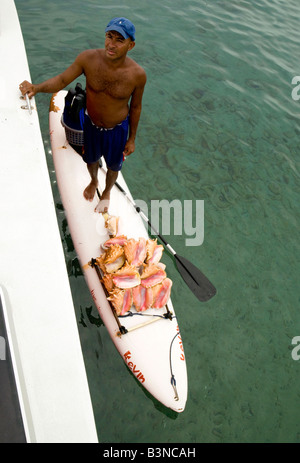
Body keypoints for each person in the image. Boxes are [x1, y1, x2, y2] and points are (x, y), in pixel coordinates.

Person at [19, 17, 146, 213]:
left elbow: (136, 107)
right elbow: (62, 79)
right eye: (109, 36)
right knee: (91, 160)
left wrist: (132, 139)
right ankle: (94, 181)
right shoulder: (88, 59)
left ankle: (106, 193)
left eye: (119, 40)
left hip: (117, 131)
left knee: (114, 167)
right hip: (91, 126)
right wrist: (36, 87)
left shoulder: (137, 75)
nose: (111, 44)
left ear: (131, 45)